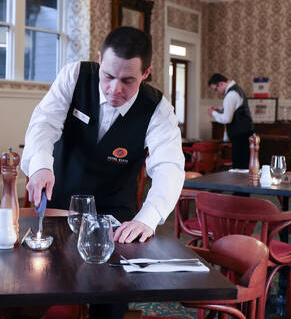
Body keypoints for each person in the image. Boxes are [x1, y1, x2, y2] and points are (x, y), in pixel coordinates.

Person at [21, 26, 185, 245]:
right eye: (108, 76)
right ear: (100, 59)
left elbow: (169, 166)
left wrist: (148, 218)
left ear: (146, 73)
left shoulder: (158, 109)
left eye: (128, 81)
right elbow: (45, 123)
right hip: (58, 208)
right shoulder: (74, 76)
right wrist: (40, 165)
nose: (115, 89)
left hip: (116, 222)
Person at [207, 73, 254, 169]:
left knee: (240, 168)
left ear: (220, 83)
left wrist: (213, 113)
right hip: (245, 134)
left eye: (216, 89)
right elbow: (234, 109)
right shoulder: (237, 90)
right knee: (244, 165)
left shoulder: (231, 95)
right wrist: (220, 110)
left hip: (240, 136)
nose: (218, 92)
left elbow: (227, 119)